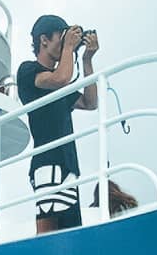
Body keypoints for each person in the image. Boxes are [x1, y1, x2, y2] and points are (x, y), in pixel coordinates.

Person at [17, 14, 99, 233]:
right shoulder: (28, 71)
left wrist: (87, 60)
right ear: (44, 40)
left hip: (68, 165)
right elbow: (60, 79)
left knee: (70, 234)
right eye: (61, 40)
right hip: (47, 163)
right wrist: (68, 50)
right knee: (48, 231)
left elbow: (91, 103)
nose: (65, 45)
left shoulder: (60, 80)